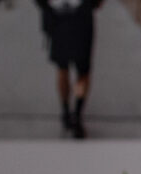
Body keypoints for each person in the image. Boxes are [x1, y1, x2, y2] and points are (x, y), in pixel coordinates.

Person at [33, 0, 102, 139]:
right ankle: (76, 113)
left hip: (59, 18)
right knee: (81, 73)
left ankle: (66, 112)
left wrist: (46, 7)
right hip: (79, 17)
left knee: (64, 69)